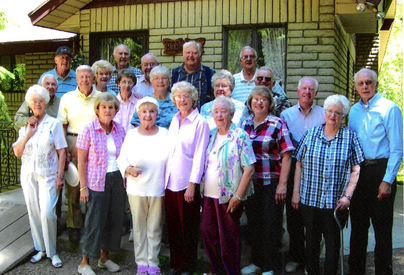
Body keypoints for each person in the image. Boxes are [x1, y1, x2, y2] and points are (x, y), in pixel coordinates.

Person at [292, 94, 364, 275]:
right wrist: (295, 193)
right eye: (330, 111)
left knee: (332, 246)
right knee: (311, 244)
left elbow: (356, 169)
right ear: (324, 112)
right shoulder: (310, 134)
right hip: (310, 200)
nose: (333, 115)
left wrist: (348, 196)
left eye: (338, 113)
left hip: (335, 203)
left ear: (343, 116)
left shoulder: (350, 137)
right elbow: (298, 164)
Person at [348, 68, 403, 275]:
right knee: (358, 228)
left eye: (369, 82)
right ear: (355, 86)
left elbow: (397, 149)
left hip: (381, 171)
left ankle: (383, 271)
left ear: (376, 85)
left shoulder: (390, 108)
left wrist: (387, 181)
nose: (365, 86)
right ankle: (356, 271)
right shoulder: (353, 111)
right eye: (360, 83)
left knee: (381, 229)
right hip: (359, 174)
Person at [241, 86, 294, 275]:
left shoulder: (277, 123)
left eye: (263, 99)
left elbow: (286, 155)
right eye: (255, 99)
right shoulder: (245, 124)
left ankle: (270, 266)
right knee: (254, 224)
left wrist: (282, 184)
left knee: (271, 224)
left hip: (272, 183)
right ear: (250, 102)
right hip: (251, 183)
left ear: (269, 103)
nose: (259, 102)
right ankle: (256, 262)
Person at [13, 85, 66, 268]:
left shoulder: (54, 123)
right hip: (28, 174)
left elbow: (62, 151)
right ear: (29, 104)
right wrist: (28, 133)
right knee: (34, 213)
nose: (37, 104)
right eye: (34, 102)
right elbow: (18, 152)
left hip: (49, 175)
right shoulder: (25, 126)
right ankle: (40, 249)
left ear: (45, 103)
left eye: (40, 101)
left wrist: (60, 176)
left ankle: (52, 252)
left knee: (47, 213)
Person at [201, 96, 256, 275]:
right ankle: (214, 269)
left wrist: (238, 196)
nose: (219, 115)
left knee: (228, 236)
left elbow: (249, 169)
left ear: (232, 114)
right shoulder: (211, 134)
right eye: (216, 112)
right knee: (208, 231)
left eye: (223, 111)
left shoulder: (240, 135)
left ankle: (230, 271)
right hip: (209, 195)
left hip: (230, 196)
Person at [117, 97, 169, 275]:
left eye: (152, 111)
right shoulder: (131, 134)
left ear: (157, 114)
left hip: (158, 187)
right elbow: (121, 158)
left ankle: (153, 262)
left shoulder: (165, 133)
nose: (148, 115)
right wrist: (128, 168)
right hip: (136, 187)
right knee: (139, 227)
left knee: (155, 226)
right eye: (144, 112)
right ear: (138, 114)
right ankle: (141, 262)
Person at [76, 93, 126, 275]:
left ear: (115, 110)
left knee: (113, 220)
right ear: (97, 109)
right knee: (94, 222)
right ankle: (84, 262)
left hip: (117, 180)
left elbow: (125, 156)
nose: (107, 110)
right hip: (96, 182)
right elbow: (81, 162)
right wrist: (83, 187)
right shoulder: (88, 129)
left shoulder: (119, 129)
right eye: (104, 107)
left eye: (111, 107)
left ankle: (104, 259)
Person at [280, 76, 325, 273]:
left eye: (311, 89)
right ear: (298, 92)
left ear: (316, 93)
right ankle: (296, 256)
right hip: (293, 172)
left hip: (317, 173)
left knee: (314, 218)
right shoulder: (286, 115)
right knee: (294, 215)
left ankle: (312, 258)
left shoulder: (325, 114)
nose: (307, 92)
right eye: (304, 88)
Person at [165, 81, 210, 275]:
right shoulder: (175, 119)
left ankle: (188, 267)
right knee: (173, 227)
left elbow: (200, 156)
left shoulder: (200, 122)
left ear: (193, 98)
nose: (182, 100)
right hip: (169, 182)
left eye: (186, 96)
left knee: (189, 228)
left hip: (186, 184)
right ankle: (175, 264)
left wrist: (193, 185)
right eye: (178, 96)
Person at [57, 65, 101, 243]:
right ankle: (74, 225)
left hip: (95, 143)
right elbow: (62, 124)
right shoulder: (67, 98)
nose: (85, 80)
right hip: (73, 141)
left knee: (94, 184)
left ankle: (92, 224)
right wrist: (65, 150)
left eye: (88, 77)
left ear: (94, 78)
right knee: (74, 185)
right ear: (76, 79)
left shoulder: (101, 97)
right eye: (81, 77)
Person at [171, 40, 215, 110]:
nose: (190, 56)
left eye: (194, 53)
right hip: (180, 119)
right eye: (188, 52)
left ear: (200, 56)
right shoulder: (172, 74)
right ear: (183, 54)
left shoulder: (210, 74)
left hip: (203, 118)